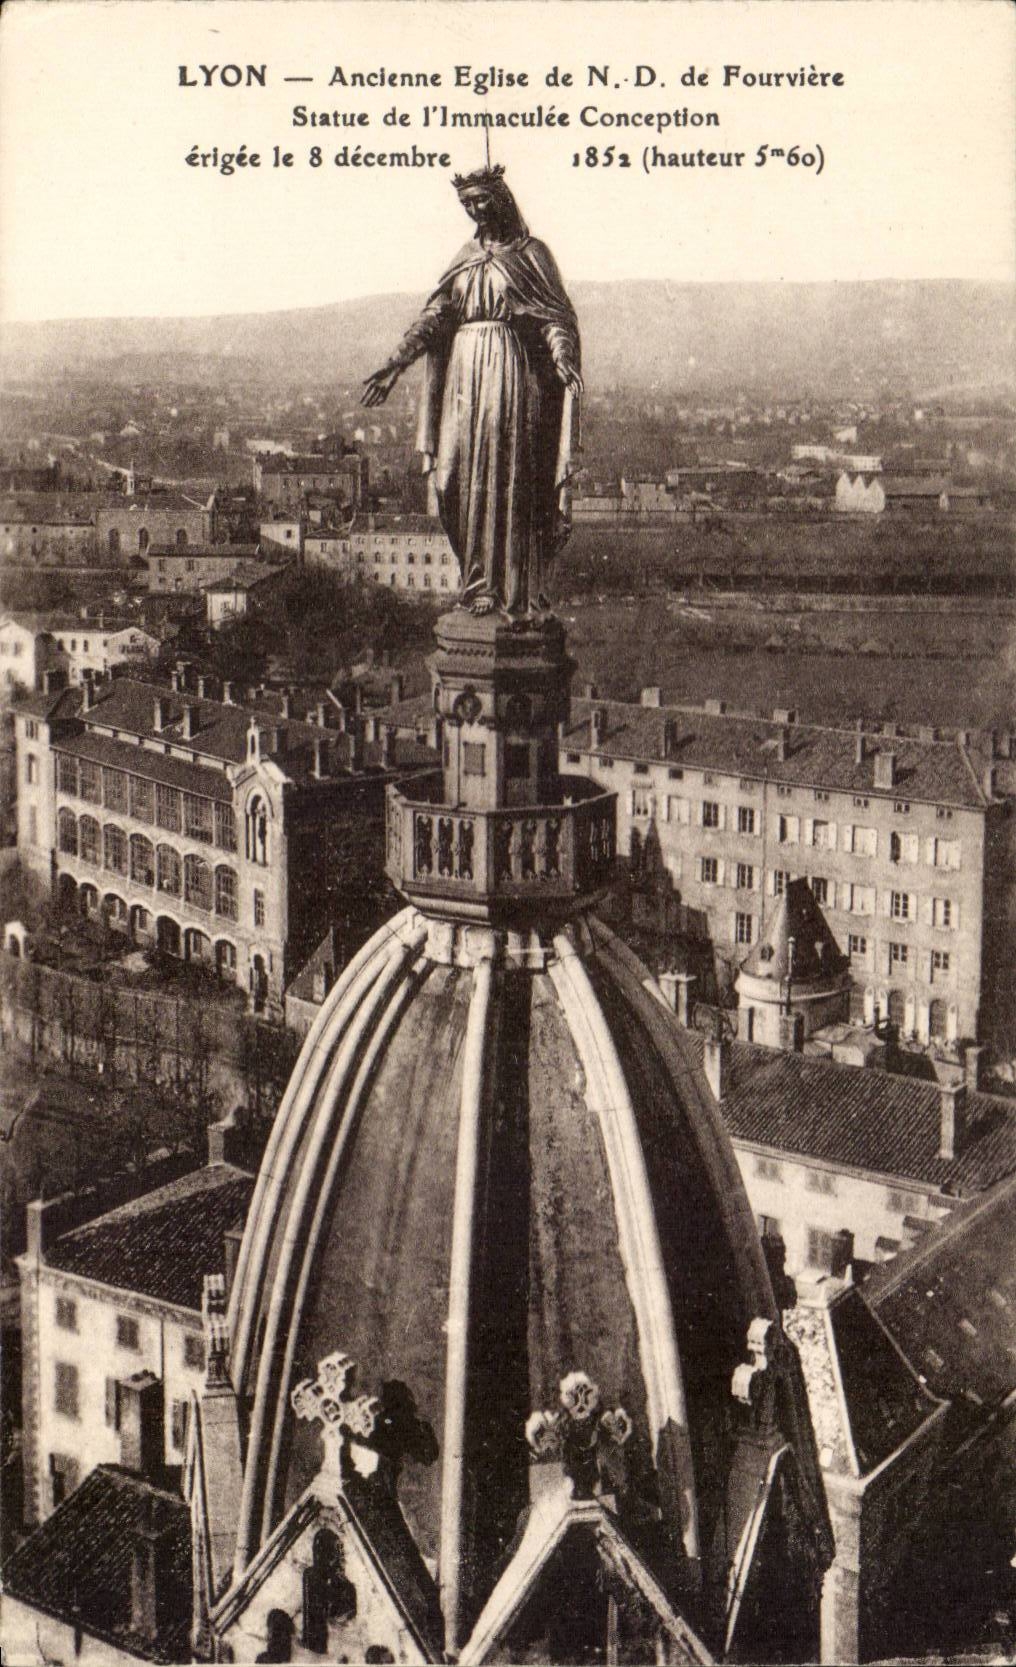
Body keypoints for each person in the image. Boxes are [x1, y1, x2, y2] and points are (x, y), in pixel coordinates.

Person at [363, 166, 582, 615]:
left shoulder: (532, 254)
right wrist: (395, 363)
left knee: (509, 480)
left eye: (481, 201)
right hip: (463, 379)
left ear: (501, 199)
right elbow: (434, 318)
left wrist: (561, 356)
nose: (475, 211)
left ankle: (508, 591)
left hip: (510, 377)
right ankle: (475, 581)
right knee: (450, 482)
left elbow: (556, 318)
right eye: (467, 205)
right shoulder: (464, 257)